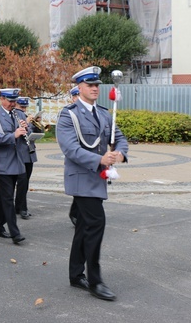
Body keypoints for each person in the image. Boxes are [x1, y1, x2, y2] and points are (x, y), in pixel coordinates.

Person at [56, 66, 128, 301]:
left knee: (84, 227)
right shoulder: (69, 115)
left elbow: (119, 137)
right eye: (90, 85)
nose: (95, 88)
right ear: (79, 87)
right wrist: (100, 159)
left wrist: (120, 154)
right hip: (81, 178)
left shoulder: (106, 113)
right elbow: (71, 149)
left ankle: (76, 275)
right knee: (96, 223)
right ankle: (95, 281)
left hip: (97, 178)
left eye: (97, 85)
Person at [0, 88, 28, 244]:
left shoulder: (19, 114)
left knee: (3, 195)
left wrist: (25, 130)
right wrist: (14, 135)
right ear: (1, 99)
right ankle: (15, 232)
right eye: (10, 101)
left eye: (14, 101)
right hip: (2, 162)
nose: (12, 104)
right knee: (8, 197)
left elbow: (23, 136)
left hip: (16, 160)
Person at [13, 96, 38, 220]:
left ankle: (18, 206)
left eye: (25, 107)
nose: (23, 109)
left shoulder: (25, 115)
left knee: (26, 182)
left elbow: (35, 131)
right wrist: (27, 122)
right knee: (22, 182)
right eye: (21, 107)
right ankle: (22, 208)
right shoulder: (15, 115)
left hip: (30, 152)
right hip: (20, 153)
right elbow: (16, 132)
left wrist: (37, 123)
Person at [67, 86, 80, 225]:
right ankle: (75, 213)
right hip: (75, 154)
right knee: (78, 185)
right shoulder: (68, 113)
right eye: (76, 96)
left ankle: (77, 212)